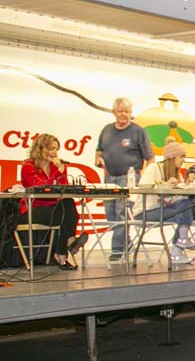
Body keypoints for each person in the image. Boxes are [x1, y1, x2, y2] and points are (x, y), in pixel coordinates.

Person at [94, 97, 154, 261]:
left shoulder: (138, 131)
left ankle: (118, 250)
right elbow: (99, 150)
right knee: (110, 212)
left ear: (131, 113)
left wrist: (144, 178)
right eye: (120, 111)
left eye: (127, 112)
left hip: (128, 178)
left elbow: (150, 158)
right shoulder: (106, 130)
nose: (124, 115)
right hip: (109, 177)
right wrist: (98, 159)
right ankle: (126, 243)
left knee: (122, 212)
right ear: (114, 112)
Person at [19, 134, 85, 269]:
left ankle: (62, 252)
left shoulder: (57, 166)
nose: (55, 153)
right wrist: (57, 173)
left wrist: (60, 172)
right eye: (51, 149)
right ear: (40, 149)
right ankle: (67, 245)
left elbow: (63, 188)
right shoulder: (28, 167)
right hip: (34, 209)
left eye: (56, 149)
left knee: (68, 203)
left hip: (55, 207)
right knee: (63, 213)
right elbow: (39, 189)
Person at [134, 141, 195, 266]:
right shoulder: (154, 168)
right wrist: (165, 185)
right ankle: (178, 249)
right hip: (145, 212)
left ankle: (179, 246)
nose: (183, 160)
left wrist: (184, 188)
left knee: (185, 205)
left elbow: (174, 199)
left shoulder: (177, 174)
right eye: (181, 156)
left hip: (163, 209)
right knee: (183, 213)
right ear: (171, 157)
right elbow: (144, 186)